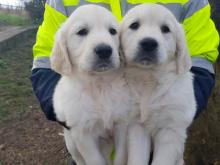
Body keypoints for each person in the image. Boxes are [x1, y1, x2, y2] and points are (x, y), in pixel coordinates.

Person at [31, 0, 219, 163]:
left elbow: (200, 60)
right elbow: (46, 62)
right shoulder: (60, 2)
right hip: (90, 150)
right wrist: (69, 111)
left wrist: (169, 117)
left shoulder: (192, 2)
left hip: (158, 147)